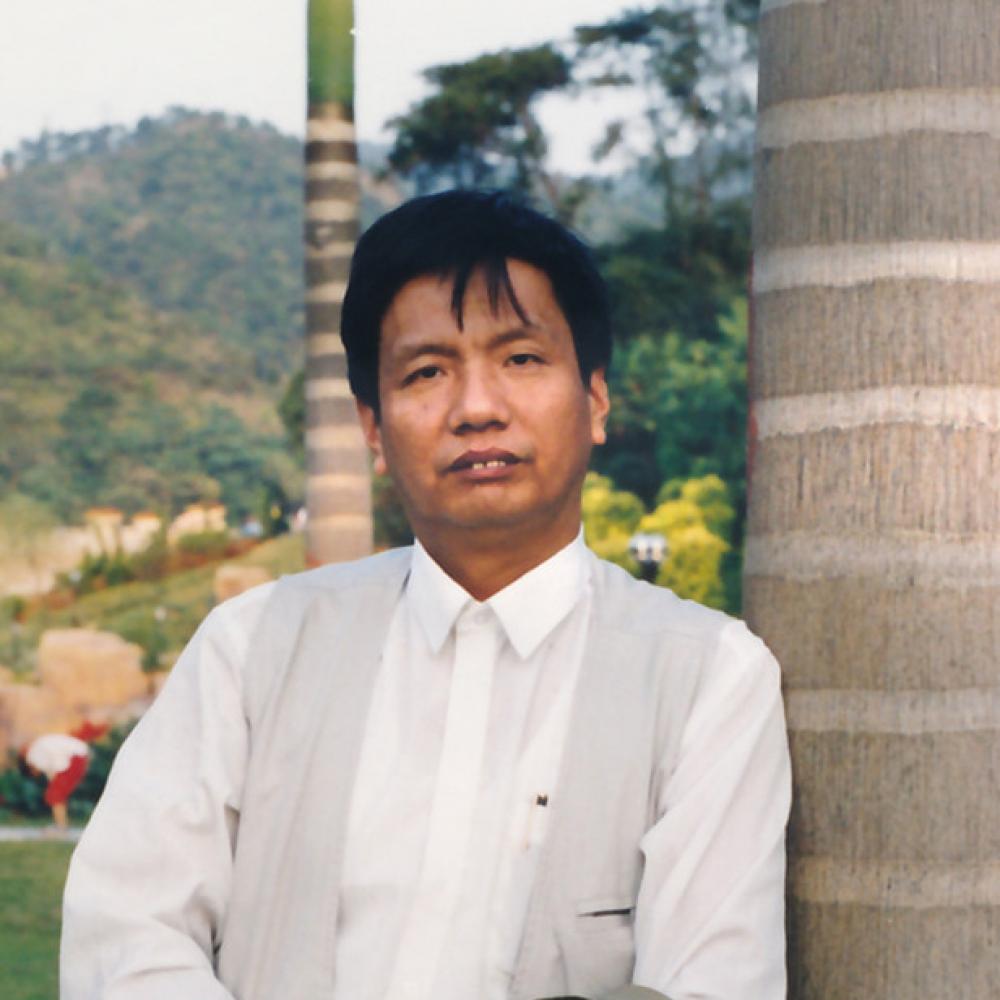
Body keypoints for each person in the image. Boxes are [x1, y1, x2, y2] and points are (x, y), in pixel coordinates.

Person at [61, 190, 791, 1000]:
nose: (477, 408)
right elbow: (125, 935)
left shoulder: (709, 680)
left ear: (595, 400)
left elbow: (712, 984)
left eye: (521, 359)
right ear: (374, 429)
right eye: (427, 372)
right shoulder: (251, 650)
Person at [25, 731, 90, 831]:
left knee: (55, 795)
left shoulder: (32, 756)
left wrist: (56, 781)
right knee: (56, 794)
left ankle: (61, 827)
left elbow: (53, 769)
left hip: (74, 757)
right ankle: (62, 825)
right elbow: (50, 771)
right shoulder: (39, 748)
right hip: (78, 755)